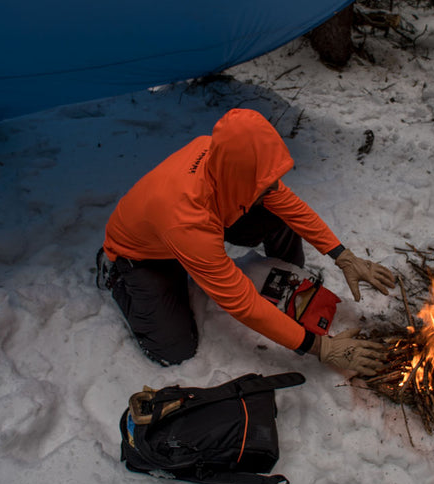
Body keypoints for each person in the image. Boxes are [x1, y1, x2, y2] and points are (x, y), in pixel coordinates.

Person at [97, 108, 396, 375]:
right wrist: (320, 347)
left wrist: (343, 256)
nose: (271, 188)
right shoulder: (187, 219)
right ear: (237, 179)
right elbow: (242, 303)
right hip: (143, 256)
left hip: (198, 222)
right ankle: (114, 275)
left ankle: (284, 273)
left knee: (275, 210)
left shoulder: (223, 155)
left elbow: (287, 203)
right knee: (175, 351)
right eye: (262, 185)